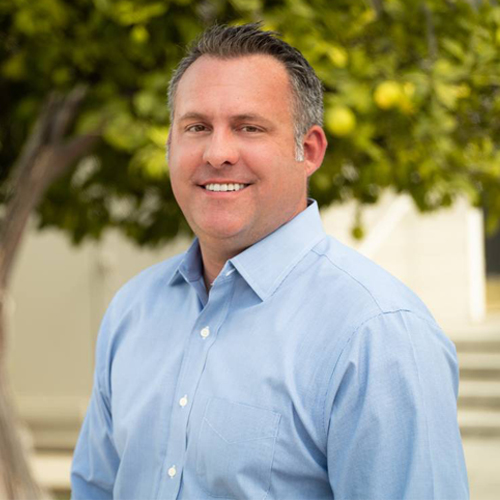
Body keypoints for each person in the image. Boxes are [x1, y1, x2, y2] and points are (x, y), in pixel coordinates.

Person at [71, 23, 469, 500]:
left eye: (249, 127)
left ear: (310, 150)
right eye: (197, 127)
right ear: (170, 146)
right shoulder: (132, 311)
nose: (218, 153)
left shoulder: (376, 334)